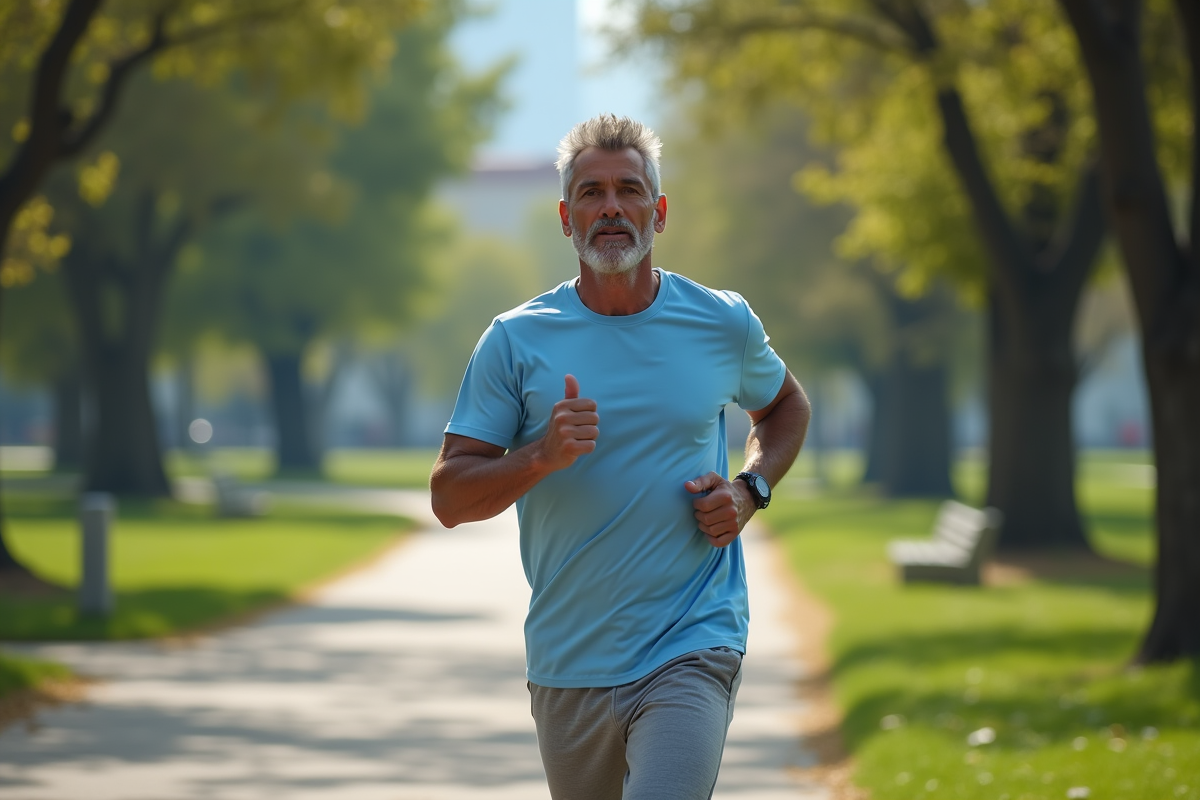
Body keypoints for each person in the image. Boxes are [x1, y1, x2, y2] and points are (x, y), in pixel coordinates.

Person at [429, 114, 810, 800]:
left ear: (658, 212)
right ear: (565, 217)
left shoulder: (721, 321)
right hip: (569, 661)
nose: (611, 207)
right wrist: (539, 456)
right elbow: (450, 498)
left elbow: (785, 407)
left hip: (692, 642)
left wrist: (751, 489)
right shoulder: (515, 342)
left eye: (630, 190)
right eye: (591, 192)